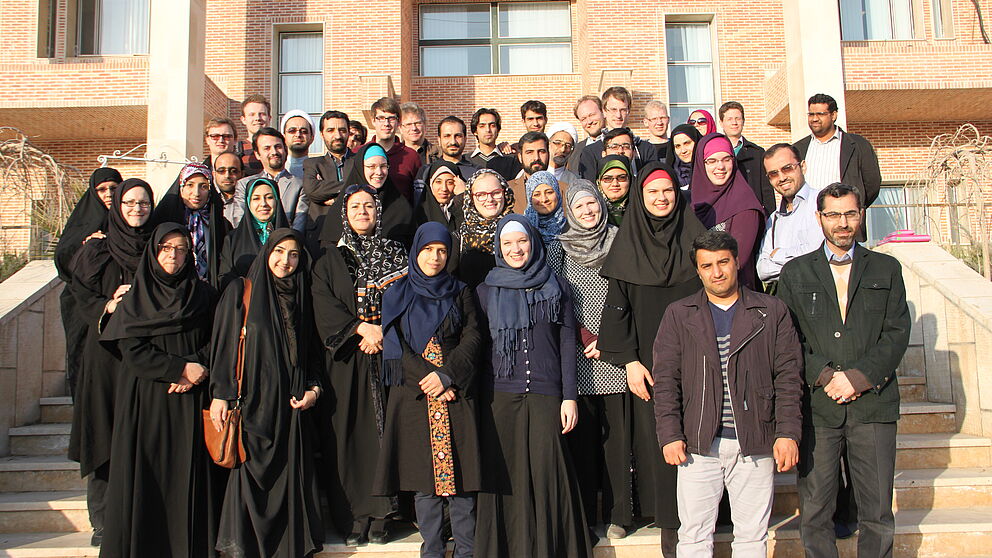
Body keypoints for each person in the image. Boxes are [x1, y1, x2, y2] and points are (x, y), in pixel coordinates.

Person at [777, 182, 911, 558]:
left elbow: (897, 332)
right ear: (819, 218)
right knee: (816, 511)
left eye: (850, 213)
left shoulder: (886, 268)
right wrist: (824, 376)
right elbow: (789, 339)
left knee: (877, 511)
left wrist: (858, 378)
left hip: (873, 406)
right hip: (819, 409)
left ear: (862, 214)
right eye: (833, 215)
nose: (843, 223)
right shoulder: (796, 272)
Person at [654, 230, 803, 558]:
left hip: (755, 440)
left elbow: (790, 378)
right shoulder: (680, 315)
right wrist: (669, 434)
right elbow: (666, 382)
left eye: (723, 262)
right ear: (698, 270)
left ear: (737, 262)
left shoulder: (771, 311)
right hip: (698, 444)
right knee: (693, 536)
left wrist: (788, 432)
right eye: (707, 265)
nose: (716, 272)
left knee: (752, 537)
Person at [598, 162, 708, 555]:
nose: (661, 198)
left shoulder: (698, 240)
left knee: (701, 447)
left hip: (699, 366)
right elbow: (617, 310)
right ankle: (671, 533)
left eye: (666, 191)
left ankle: (705, 525)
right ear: (640, 199)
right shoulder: (629, 245)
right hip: (647, 369)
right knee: (661, 448)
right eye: (652, 192)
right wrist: (629, 361)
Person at [475, 214, 592, 558]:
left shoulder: (556, 285)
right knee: (504, 475)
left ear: (533, 242)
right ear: (498, 247)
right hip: (501, 395)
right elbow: (480, 349)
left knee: (547, 472)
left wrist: (569, 396)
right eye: (508, 243)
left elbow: (568, 341)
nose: (515, 249)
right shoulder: (485, 291)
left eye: (522, 241)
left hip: (546, 392)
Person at [97, 223, 215, 558]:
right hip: (148, 403)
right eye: (166, 247)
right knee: (147, 482)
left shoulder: (202, 294)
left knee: (185, 482)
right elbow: (131, 350)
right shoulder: (136, 298)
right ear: (153, 251)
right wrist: (178, 369)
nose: (173, 256)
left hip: (190, 400)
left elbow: (217, 338)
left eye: (181, 249)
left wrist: (197, 366)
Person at [210, 228, 324, 558]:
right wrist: (222, 393)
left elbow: (313, 354)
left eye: (294, 254)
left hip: (291, 410)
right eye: (279, 252)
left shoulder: (303, 294)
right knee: (249, 480)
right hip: (252, 409)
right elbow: (225, 347)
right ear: (266, 252)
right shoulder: (240, 292)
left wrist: (314, 391)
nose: (285, 261)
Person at [375, 222, 483, 558]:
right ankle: (432, 551)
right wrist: (431, 379)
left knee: (463, 484)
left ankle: (466, 552)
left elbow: (473, 336)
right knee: (426, 486)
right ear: (415, 251)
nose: (435, 257)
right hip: (415, 396)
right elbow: (395, 344)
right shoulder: (397, 293)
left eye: (442, 250)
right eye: (427, 250)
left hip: (457, 393)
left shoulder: (460, 290)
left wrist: (448, 376)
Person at [312, 184, 409, 545]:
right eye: (355, 206)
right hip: (348, 361)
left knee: (388, 436)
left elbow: (408, 297)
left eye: (369, 206)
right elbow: (323, 305)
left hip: (389, 356)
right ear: (344, 213)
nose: (363, 212)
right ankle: (353, 515)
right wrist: (360, 329)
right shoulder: (329, 260)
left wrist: (382, 330)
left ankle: (384, 514)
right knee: (349, 437)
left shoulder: (396, 253)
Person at [68, 177, 153, 548]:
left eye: (144, 203)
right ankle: (102, 518)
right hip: (106, 356)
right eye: (130, 203)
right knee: (104, 433)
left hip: (145, 357)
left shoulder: (156, 246)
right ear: (117, 206)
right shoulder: (97, 250)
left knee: (139, 436)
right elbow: (78, 296)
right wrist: (108, 304)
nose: (137, 209)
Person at [556, 180, 629, 538]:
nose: (587, 211)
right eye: (580, 206)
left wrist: (609, 339)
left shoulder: (620, 241)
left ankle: (619, 514)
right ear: (570, 209)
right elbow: (558, 300)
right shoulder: (560, 248)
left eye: (592, 204)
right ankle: (584, 515)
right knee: (583, 443)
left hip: (615, 357)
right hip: (579, 358)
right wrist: (587, 336)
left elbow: (629, 293)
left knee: (617, 442)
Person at [56, 167, 121, 396]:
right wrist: (86, 246)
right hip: (80, 305)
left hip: (116, 303)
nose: (108, 194)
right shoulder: (82, 225)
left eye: (114, 188)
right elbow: (63, 260)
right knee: (81, 358)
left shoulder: (127, 223)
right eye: (102, 189)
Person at [794, 93, 881, 240]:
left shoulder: (858, 145)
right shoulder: (798, 148)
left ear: (833, 115)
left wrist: (850, 210)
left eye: (820, 114)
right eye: (811, 114)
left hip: (844, 225)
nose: (815, 119)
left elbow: (872, 184)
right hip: (807, 225)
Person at [690, 134, 765, 291]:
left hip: (736, 295)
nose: (720, 167)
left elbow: (737, 259)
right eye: (712, 161)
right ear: (700, 164)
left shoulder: (745, 205)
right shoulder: (694, 204)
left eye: (726, 159)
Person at [318, 143, 415, 248]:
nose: (378, 172)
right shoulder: (342, 207)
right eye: (371, 166)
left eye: (383, 166)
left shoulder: (401, 208)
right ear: (360, 167)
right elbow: (329, 250)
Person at [756, 144, 824, 290]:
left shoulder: (821, 203)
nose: (781, 178)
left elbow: (820, 256)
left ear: (803, 166)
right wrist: (803, 260)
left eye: (787, 168)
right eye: (773, 174)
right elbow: (763, 270)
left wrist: (778, 254)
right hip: (785, 301)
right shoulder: (773, 220)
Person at [152, 163, 229, 289]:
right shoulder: (165, 221)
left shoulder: (220, 224)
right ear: (181, 188)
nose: (196, 193)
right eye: (190, 185)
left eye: (203, 186)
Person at [219, 177, 289, 289]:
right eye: (256, 198)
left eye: (269, 197)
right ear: (248, 202)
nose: (263, 204)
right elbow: (225, 278)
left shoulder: (290, 238)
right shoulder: (232, 239)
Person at [232, 127, 308, 231]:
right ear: (257, 154)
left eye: (278, 147)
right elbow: (240, 224)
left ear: (285, 150)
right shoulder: (244, 185)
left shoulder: (299, 185)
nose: (274, 152)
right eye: (267, 148)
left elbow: (299, 226)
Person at [454, 169, 515, 288]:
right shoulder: (460, 237)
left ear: (505, 193)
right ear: (471, 198)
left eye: (496, 192)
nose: (489, 199)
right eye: (481, 195)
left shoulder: (520, 230)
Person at [304, 110, 355, 251]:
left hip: (356, 234)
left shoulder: (361, 162)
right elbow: (312, 190)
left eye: (342, 130)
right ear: (322, 134)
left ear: (348, 133)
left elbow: (367, 189)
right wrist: (350, 188)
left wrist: (333, 197)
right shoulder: (312, 164)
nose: (337, 135)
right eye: (331, 130)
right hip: (321, 236)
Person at [719, 101, 775, 213]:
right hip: (723, 212)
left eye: (738, 118)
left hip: (751, 213)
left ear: (743, 121)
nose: (734, 123)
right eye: (729, 119)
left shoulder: (757, 153)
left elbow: (767, 191)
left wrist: (769, 218)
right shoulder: (715, 152)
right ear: (721, 123)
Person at [365, 96, 422, 202]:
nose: (386, 124)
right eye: (381, 118)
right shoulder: (360, 153)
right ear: (373, 120)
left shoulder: (411, 156)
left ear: (399, 122)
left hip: (402, 217)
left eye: (391, 119)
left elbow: (418, 197)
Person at [412, 116, 478, 199]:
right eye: (447, 136)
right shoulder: (426, 172)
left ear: (465, 139)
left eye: (458, 136)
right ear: (439, 140)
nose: (453, 141)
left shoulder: (477, 173)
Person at [508, 131, 563, 214]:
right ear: (520, 157)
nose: (536, 158)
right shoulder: (508, 190)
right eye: (529, 152)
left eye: (541, 151)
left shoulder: (565, 190)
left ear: (548, 154)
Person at [524, 170, 566, 272]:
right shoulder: (523, 229)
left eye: (549, 192)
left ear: (557, 193)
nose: (544, 199)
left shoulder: (570, 228)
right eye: (537, 195)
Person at [467, 107, 521, 181]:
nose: (488, 130)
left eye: (492, 125)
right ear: (475, 131)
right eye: (482, 126)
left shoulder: (511, 160)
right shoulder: (466, 161)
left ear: (498, 130)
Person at [414, 160, 464, 232]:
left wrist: (462, 197)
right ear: (430, 184)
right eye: (438, 182)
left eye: (450, 182)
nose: (444, 188)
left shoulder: (464, 208)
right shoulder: (421, 213)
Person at [567, 96, 607, 172]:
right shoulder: (574, 152)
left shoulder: (617, 144)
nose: (589, 121)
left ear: (603, 112)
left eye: (592, 115)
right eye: (583, 119)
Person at [236, 94, 271, 173]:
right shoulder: (236, 149)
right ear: (243, 119)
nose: (257, 118)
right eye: (252, 114)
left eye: (262, 114)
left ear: (269, 118)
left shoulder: (280, 147)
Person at [596, 155, 632, 226]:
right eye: (607, 179)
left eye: (622, 178)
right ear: (599, 182)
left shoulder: (640, 207)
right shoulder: (591, 210)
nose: (615, 184)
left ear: (630, 180)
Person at [666, 124, 702, 194]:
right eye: (678, 146)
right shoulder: (670, 173)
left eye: (687, 143)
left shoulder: (709, 169)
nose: (683, 150)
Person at [280, 109, 316, 179]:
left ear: (312, 138)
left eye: (304, 131)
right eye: (292, 131)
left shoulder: (319, 170)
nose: (298, 135)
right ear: (284, 137)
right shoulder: (276, 169)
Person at [212, 152, 243, 226]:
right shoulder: (208, 200)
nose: (227, 175)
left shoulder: (250, 199)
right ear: (214, 174)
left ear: (242, 174)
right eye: (221, 171)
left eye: (233, 171)